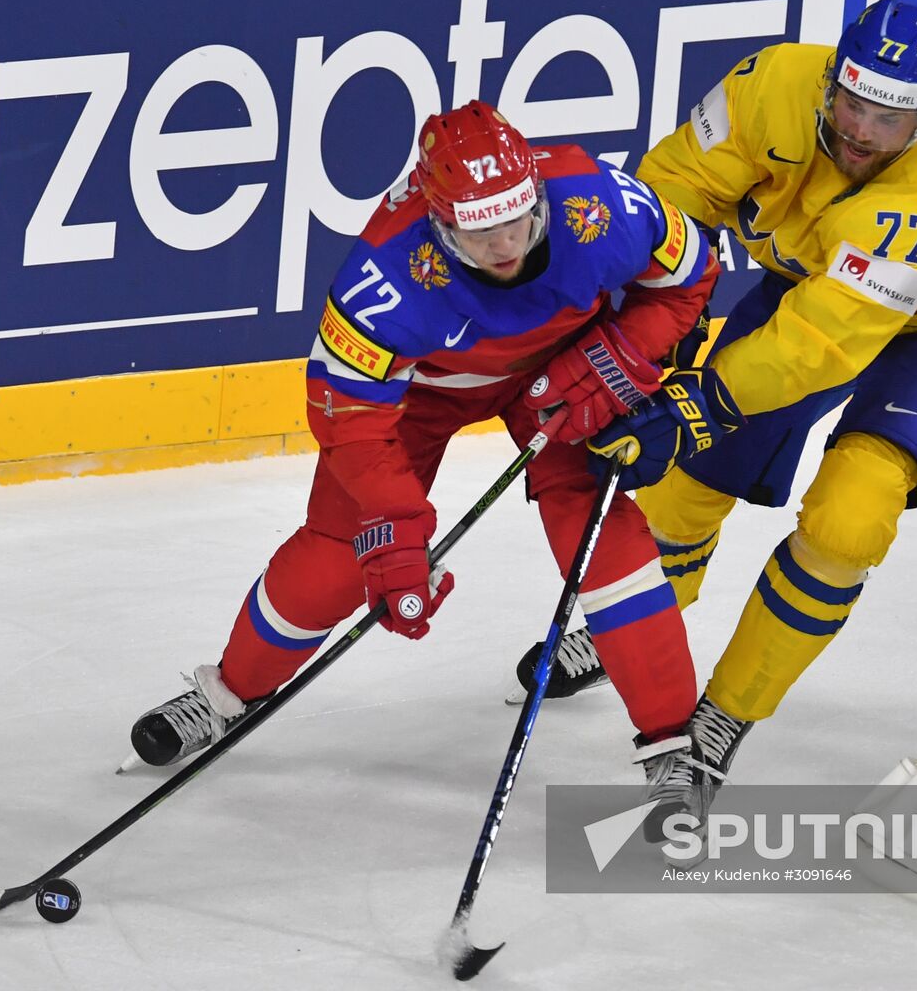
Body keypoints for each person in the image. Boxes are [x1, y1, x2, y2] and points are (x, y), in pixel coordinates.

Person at [519, 0, 917, 824]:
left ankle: (725, 714)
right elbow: (670, 194)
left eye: (890, 117)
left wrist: (694, 402)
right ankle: (647, 622)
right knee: (693, 475)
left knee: (848, 519)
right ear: (831, 79)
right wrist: (632, 323)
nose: (862, 132)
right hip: (813, 286)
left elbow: (818, 345)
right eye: (851, 103)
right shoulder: (768, 84)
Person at [129, 101, 722, 804]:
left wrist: (621, 350)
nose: (505, 245)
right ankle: (228, 693)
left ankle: (673, 744)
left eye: (518, 220)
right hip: (419, 398)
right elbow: (347, 415)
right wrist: (393, 529)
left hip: (563, 372)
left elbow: (688, 278)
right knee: (336, 558)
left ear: (537, 192)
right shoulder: (383, 275)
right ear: (437, 225)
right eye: (479, 232)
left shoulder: (600, 201)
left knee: (597, 529)